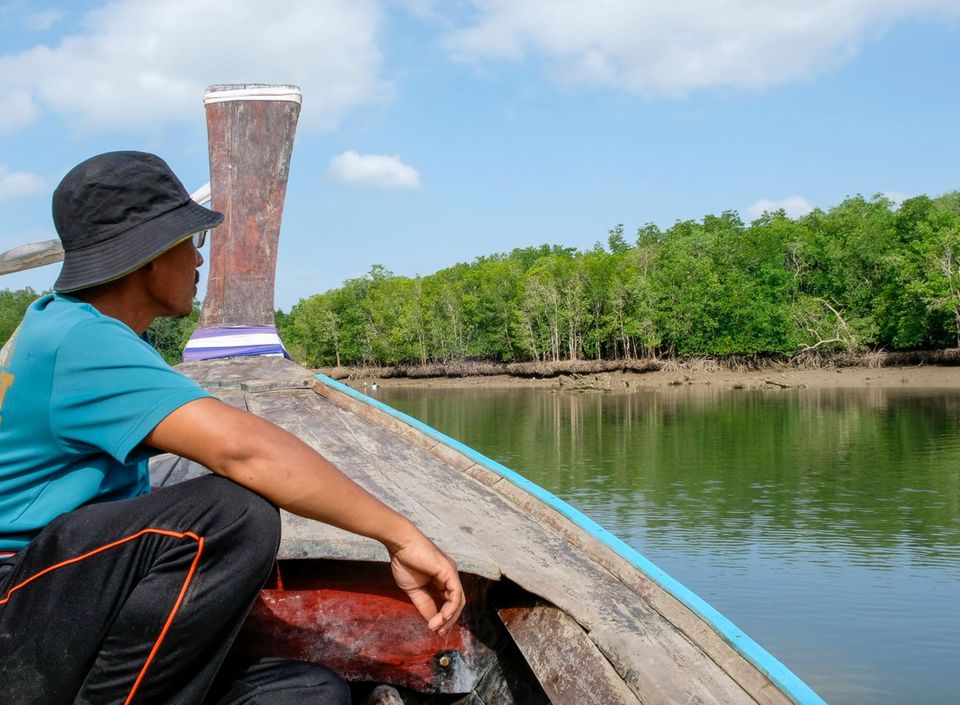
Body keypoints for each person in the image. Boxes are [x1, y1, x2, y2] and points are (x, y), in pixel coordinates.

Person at [0, 151, 465, 705]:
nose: (200, 262)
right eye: (190, 243)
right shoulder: (81, 341)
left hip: (58, 599)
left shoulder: (69, 324)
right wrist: (402, 535)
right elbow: (247, 453)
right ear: (148, 257)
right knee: (230, 515)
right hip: (20, 611)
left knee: (312, 692)